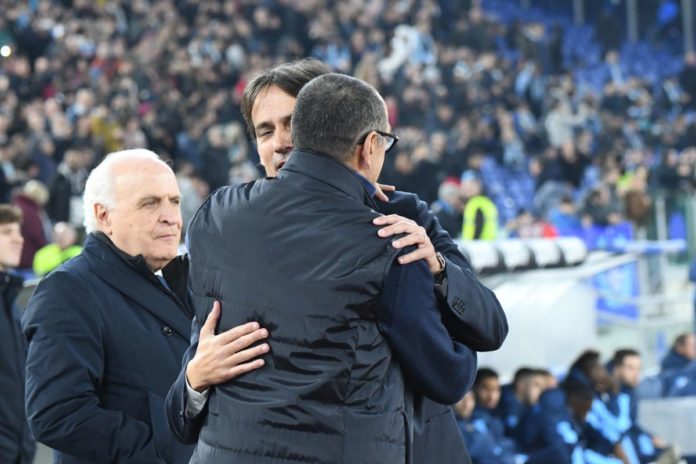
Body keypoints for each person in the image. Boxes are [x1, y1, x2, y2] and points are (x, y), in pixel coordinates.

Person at [166, 59, 508, 464]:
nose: (281, 143)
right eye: (265, 131)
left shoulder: (402, 218)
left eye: (293, 125)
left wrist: (439, 268)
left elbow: (488, 322)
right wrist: (194, 379)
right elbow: (184, 402)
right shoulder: (225, 225)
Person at [23, 149, 268, 463]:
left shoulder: (181, 282)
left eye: (174, 202)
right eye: (149, 203)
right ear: (103, 215)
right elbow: (57, 414)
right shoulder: (69, 289)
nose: (171, 217)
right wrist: (163, 453)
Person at [0, 205, 35, 464]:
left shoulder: (11, 301)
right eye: (6, 232)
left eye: (19, 231)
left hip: (19, 448)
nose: (19, 239)